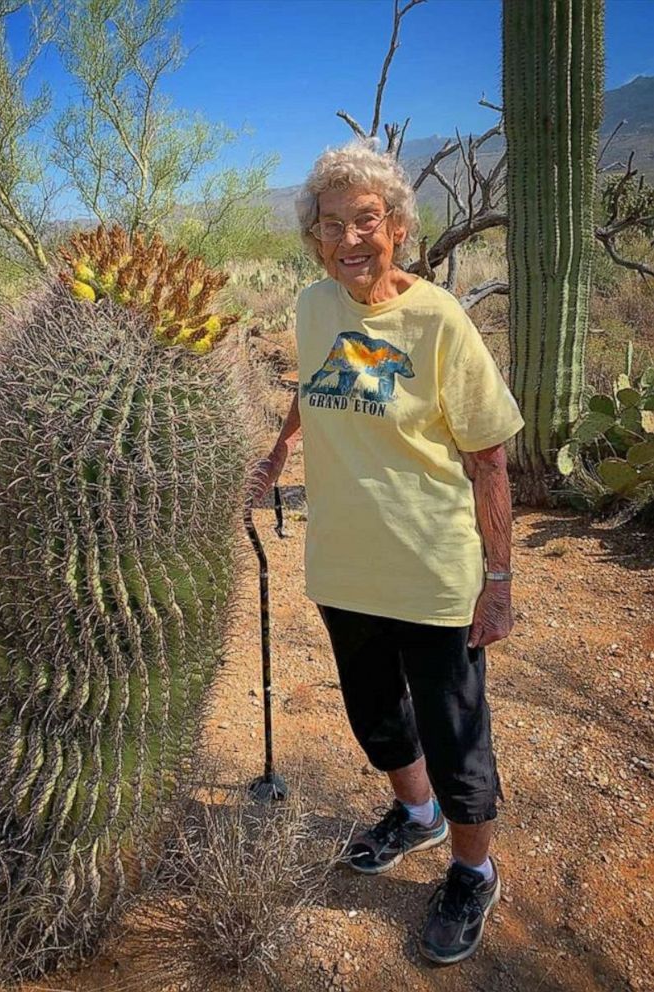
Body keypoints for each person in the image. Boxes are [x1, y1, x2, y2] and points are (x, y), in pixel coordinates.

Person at [248, 140, 524, 966]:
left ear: (397, 227)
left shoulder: (437, 318)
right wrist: (277, 452)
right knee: (375, 717)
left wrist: (499, 580)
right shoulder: (311, 305)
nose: (348, 240)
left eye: (365, 220)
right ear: (314, 240)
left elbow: (487, 456)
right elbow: (318, 381)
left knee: (453, 737)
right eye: (330, 226)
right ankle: (415, 816)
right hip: (342, 564)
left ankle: (472, 869)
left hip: (431, 572)